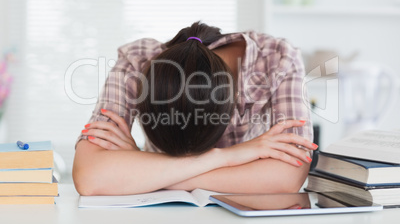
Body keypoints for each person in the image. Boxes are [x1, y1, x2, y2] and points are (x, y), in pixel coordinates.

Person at [73, 22, 317, 196]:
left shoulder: (277, 59)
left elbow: (287, 179)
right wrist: (228, 157)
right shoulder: (138, 61)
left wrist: (141, 170)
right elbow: (90, 177)